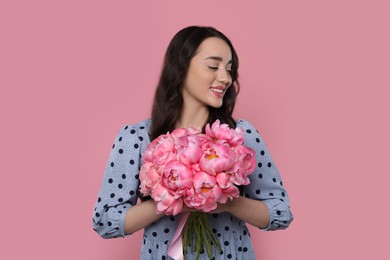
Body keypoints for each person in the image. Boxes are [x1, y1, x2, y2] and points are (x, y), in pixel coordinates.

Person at [93, 26, 293, 259]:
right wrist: (171, 200)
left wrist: (226, 202)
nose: (225, 78)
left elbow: (280, 212)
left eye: (230, 69)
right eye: (213, 66)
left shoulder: (240, 135)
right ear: (181, 66)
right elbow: (105, 220)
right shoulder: (136, 138)